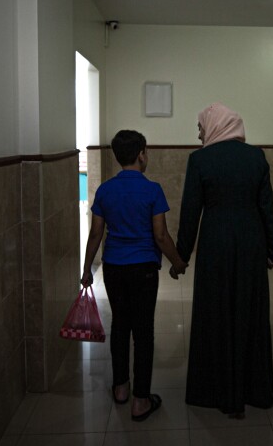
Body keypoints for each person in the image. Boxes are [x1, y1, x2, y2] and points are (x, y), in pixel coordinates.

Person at [173, 103, 273, 418]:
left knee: (215, 310)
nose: (199, 133)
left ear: (214, 125)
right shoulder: (256, 157)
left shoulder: (200, 160)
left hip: (215, 243)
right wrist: (272, 249)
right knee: (249, 310)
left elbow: (190, 211)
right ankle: (253, 389)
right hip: (251, 241)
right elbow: (267, 207)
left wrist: (181, 255)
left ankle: (215, 390)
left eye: (200, 126)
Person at [80, 129, 188, 422]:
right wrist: (177, 263)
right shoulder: (152, 190)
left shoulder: (105, 190)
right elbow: (161, 235)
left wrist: (86, 270)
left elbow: (95, 233)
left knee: (120, 325)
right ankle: (141, 400)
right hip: (143, 271)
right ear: (141, 154)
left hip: (113, 268)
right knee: (143, 332)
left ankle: (120, 388)